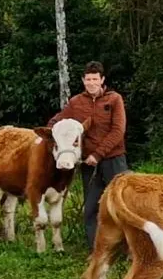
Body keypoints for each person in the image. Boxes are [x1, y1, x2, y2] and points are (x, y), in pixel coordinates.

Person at [47, 61, 128, 251]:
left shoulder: (114, 99)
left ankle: (127, 249)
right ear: (83, 81)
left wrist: (98, 154)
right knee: (91, 207)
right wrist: (49, 130)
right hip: (88, 163)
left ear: (102, 80)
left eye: (95, 79)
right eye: (88, 79)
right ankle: (97, 249)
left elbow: (118, 131)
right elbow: (60, 118)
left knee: (122, 204)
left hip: (114, 159)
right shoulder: (76, 102)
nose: (91, 83)